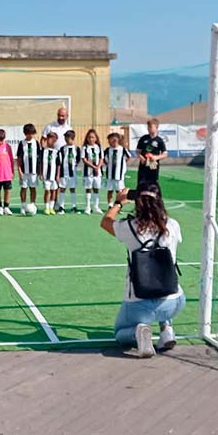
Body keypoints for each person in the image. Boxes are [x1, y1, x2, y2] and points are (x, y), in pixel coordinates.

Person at [100, 183, 185, 358]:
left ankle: (139, 331)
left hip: (139, 302)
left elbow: (105, 222)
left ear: (137, 201)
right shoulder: (173, 225)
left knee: (120, 332)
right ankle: (166, 329)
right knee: (163, 287)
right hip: (173, 301)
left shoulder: (130, 227)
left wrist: (119, 203)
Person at [17, 123, 42, 215]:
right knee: (23, 188)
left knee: (33, 189)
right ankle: (23, 206)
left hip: (34, 172)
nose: (30, 135)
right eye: (28, 133)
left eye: (32, 133)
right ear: (25, 133)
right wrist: (19, 171)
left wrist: (39, 171)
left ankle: (32, 205)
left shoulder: (36, 143)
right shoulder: (21, 143)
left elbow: (39, 158)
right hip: (24, 171)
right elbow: (19, 158)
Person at [0, 129, 15, 215]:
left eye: (2, 140)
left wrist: (12, 171)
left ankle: (6, 207)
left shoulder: (8, 147)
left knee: (7, 190)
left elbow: (11, 160)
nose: (0, 142)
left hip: (7, 174)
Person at [136, 118, 167, 186]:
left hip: (153, 166)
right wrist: (141, 158)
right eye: (148, 127)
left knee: (153, 184)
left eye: (151, 127)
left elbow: (165, 153)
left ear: (156, 128)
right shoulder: (143, 138)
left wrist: (156, 157)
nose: (149, 128)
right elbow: (138, 151)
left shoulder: (159, 140)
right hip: (143, 166)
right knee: (141, 184)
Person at [56, 130, 81, 214]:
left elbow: (77, 160)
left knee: (72, 189)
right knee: (62, 189)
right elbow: (60, 161)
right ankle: (61, 207)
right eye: (65, 138)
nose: (66, 139)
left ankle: (73, 207)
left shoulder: (76, 148)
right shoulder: (62, 149)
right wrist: (58, 174)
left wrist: (74, 166)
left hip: (72, 173)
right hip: (63, 172)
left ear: (72, 138)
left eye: (68, 138)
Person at [104, 132, 131, 207]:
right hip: (110, 174)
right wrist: (107, 164)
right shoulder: (108, 150)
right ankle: (110, 205)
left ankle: (117, 205)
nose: (109, 142)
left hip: (119, 175)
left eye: (111, 140)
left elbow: (128, 157)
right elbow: (103, 158)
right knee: (110, 190)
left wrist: (123, 164)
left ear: (116, 140)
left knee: (119, 191)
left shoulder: (122, 149)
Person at [82, 129, 104, 215]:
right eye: (89, 137)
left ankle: (96, 206)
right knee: (88, 189)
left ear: (96, 138)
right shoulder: (85, 148)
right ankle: (88, 207)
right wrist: (93, 166)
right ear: (87, 138)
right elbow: (84, 159)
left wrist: (98, 167)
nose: (91, 139)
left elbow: (101, 159)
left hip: (97, 172)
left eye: (93, 137)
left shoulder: (99, 147)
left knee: (96, 189)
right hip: (88, 172)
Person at [41, 132, 60, 215]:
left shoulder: (57, 152)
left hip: (53, 175)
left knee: (54, 191)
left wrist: (58, 175)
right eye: (50, 138)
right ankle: (46, 207)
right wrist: (40, 173)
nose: (52, 140)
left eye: (54, 139)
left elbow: (58, 164)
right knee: (47, 191)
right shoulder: (43, 151)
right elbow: (40, 163)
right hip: (46, 175)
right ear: (47, 139)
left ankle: (51, 208)